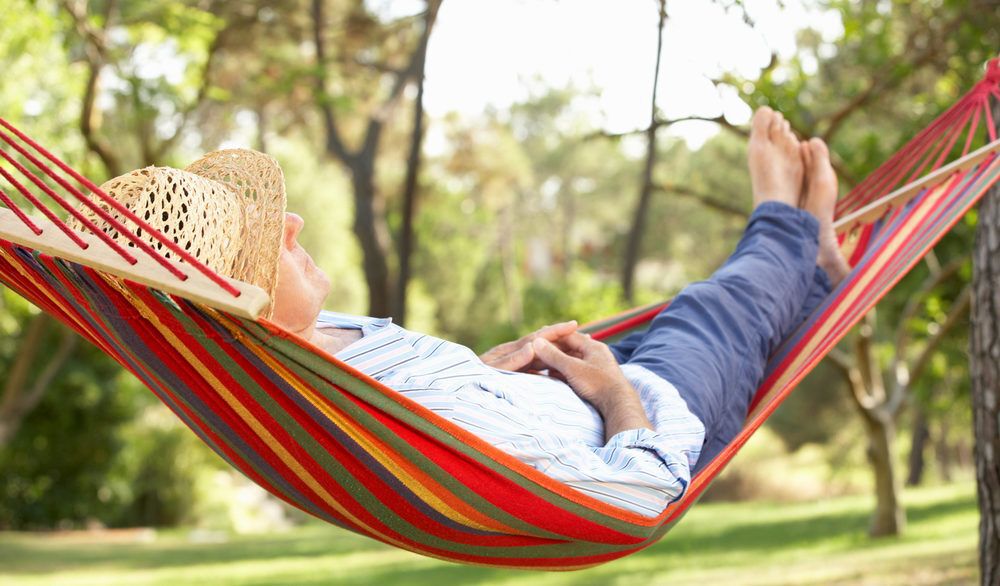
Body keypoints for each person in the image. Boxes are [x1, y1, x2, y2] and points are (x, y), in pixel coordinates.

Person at [80, 107, 850, 517]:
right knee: (715, 312)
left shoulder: (326, 361)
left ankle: (817, 271)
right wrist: (615, 389)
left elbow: (441, 417)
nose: (294, 225)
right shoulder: (331, 402)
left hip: (563, 391)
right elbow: (638, 493)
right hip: (651, 421)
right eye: (262, 242)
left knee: (719, 314)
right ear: (234, 301)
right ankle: (785, 220)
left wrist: (489, 368)